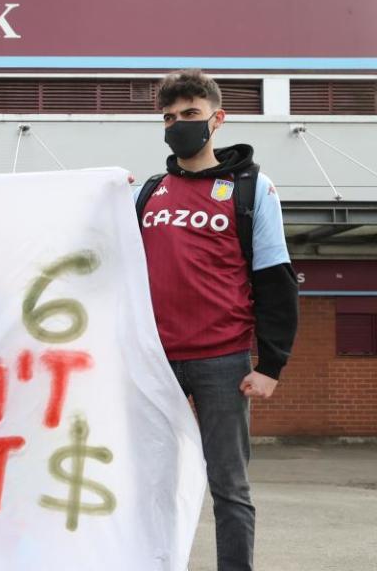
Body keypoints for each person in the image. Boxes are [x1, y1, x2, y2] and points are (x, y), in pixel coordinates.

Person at [134, 69, 299, 571]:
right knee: (147, 482)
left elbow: (276, 279)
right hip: (154, 363)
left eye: (190, 115)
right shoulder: (149, 192)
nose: (178, 124)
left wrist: (271, 365)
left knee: (229, 486)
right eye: (168, 117)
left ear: (217, 119)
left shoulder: (252, 188)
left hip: (222, 361)